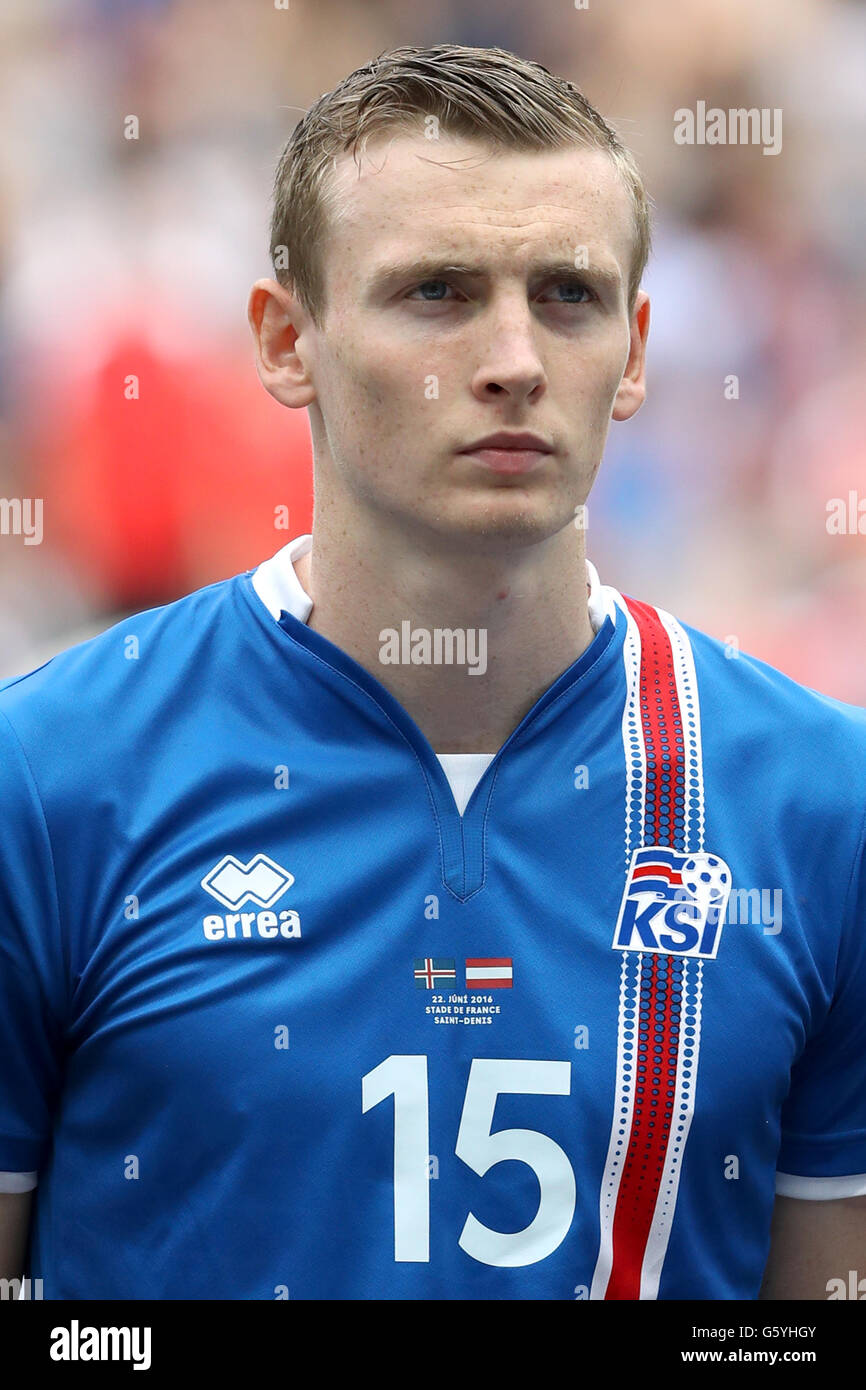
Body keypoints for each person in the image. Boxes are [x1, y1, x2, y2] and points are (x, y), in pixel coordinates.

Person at [1, 43, 864, 1302]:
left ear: (632, 354)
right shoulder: (47, 776)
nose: (512, 357)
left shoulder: (816, 800)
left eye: (565, 296)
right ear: (286, 339)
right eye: (439, 292)